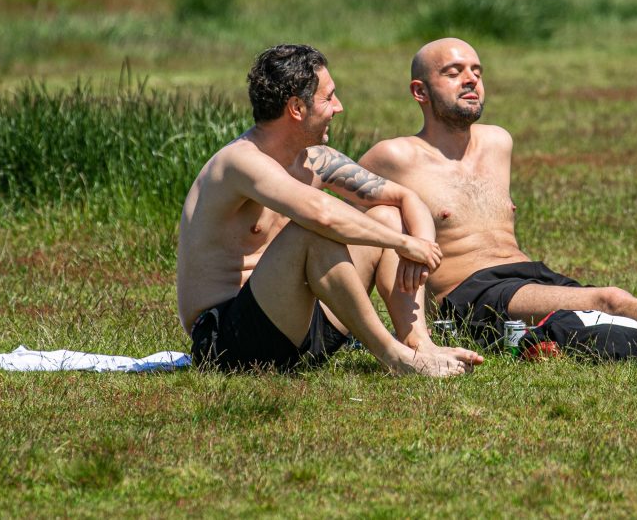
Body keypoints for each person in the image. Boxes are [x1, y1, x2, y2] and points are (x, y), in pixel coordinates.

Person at [357, 38, 637, 351]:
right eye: (453, 73)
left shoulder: (497, 142)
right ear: (420, 91)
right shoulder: (394, 156)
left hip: (528, 276)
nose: (471, 80)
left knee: (610, 323)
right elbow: (337, 223)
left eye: (477, 71)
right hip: (466, 296)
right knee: (608, 301)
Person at [177, 44, 483, 376]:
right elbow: (321, 214)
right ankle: (394, 357)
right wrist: (401, 244)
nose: (339, 107)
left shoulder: (315, 159)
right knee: (312, 232)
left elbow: (406, 199)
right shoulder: (241, 161)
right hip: (229, 341)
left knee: (387, 214)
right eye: (329, 98)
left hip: (299, 328)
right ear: (296, 108)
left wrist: (420, 247)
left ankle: (418, 344)